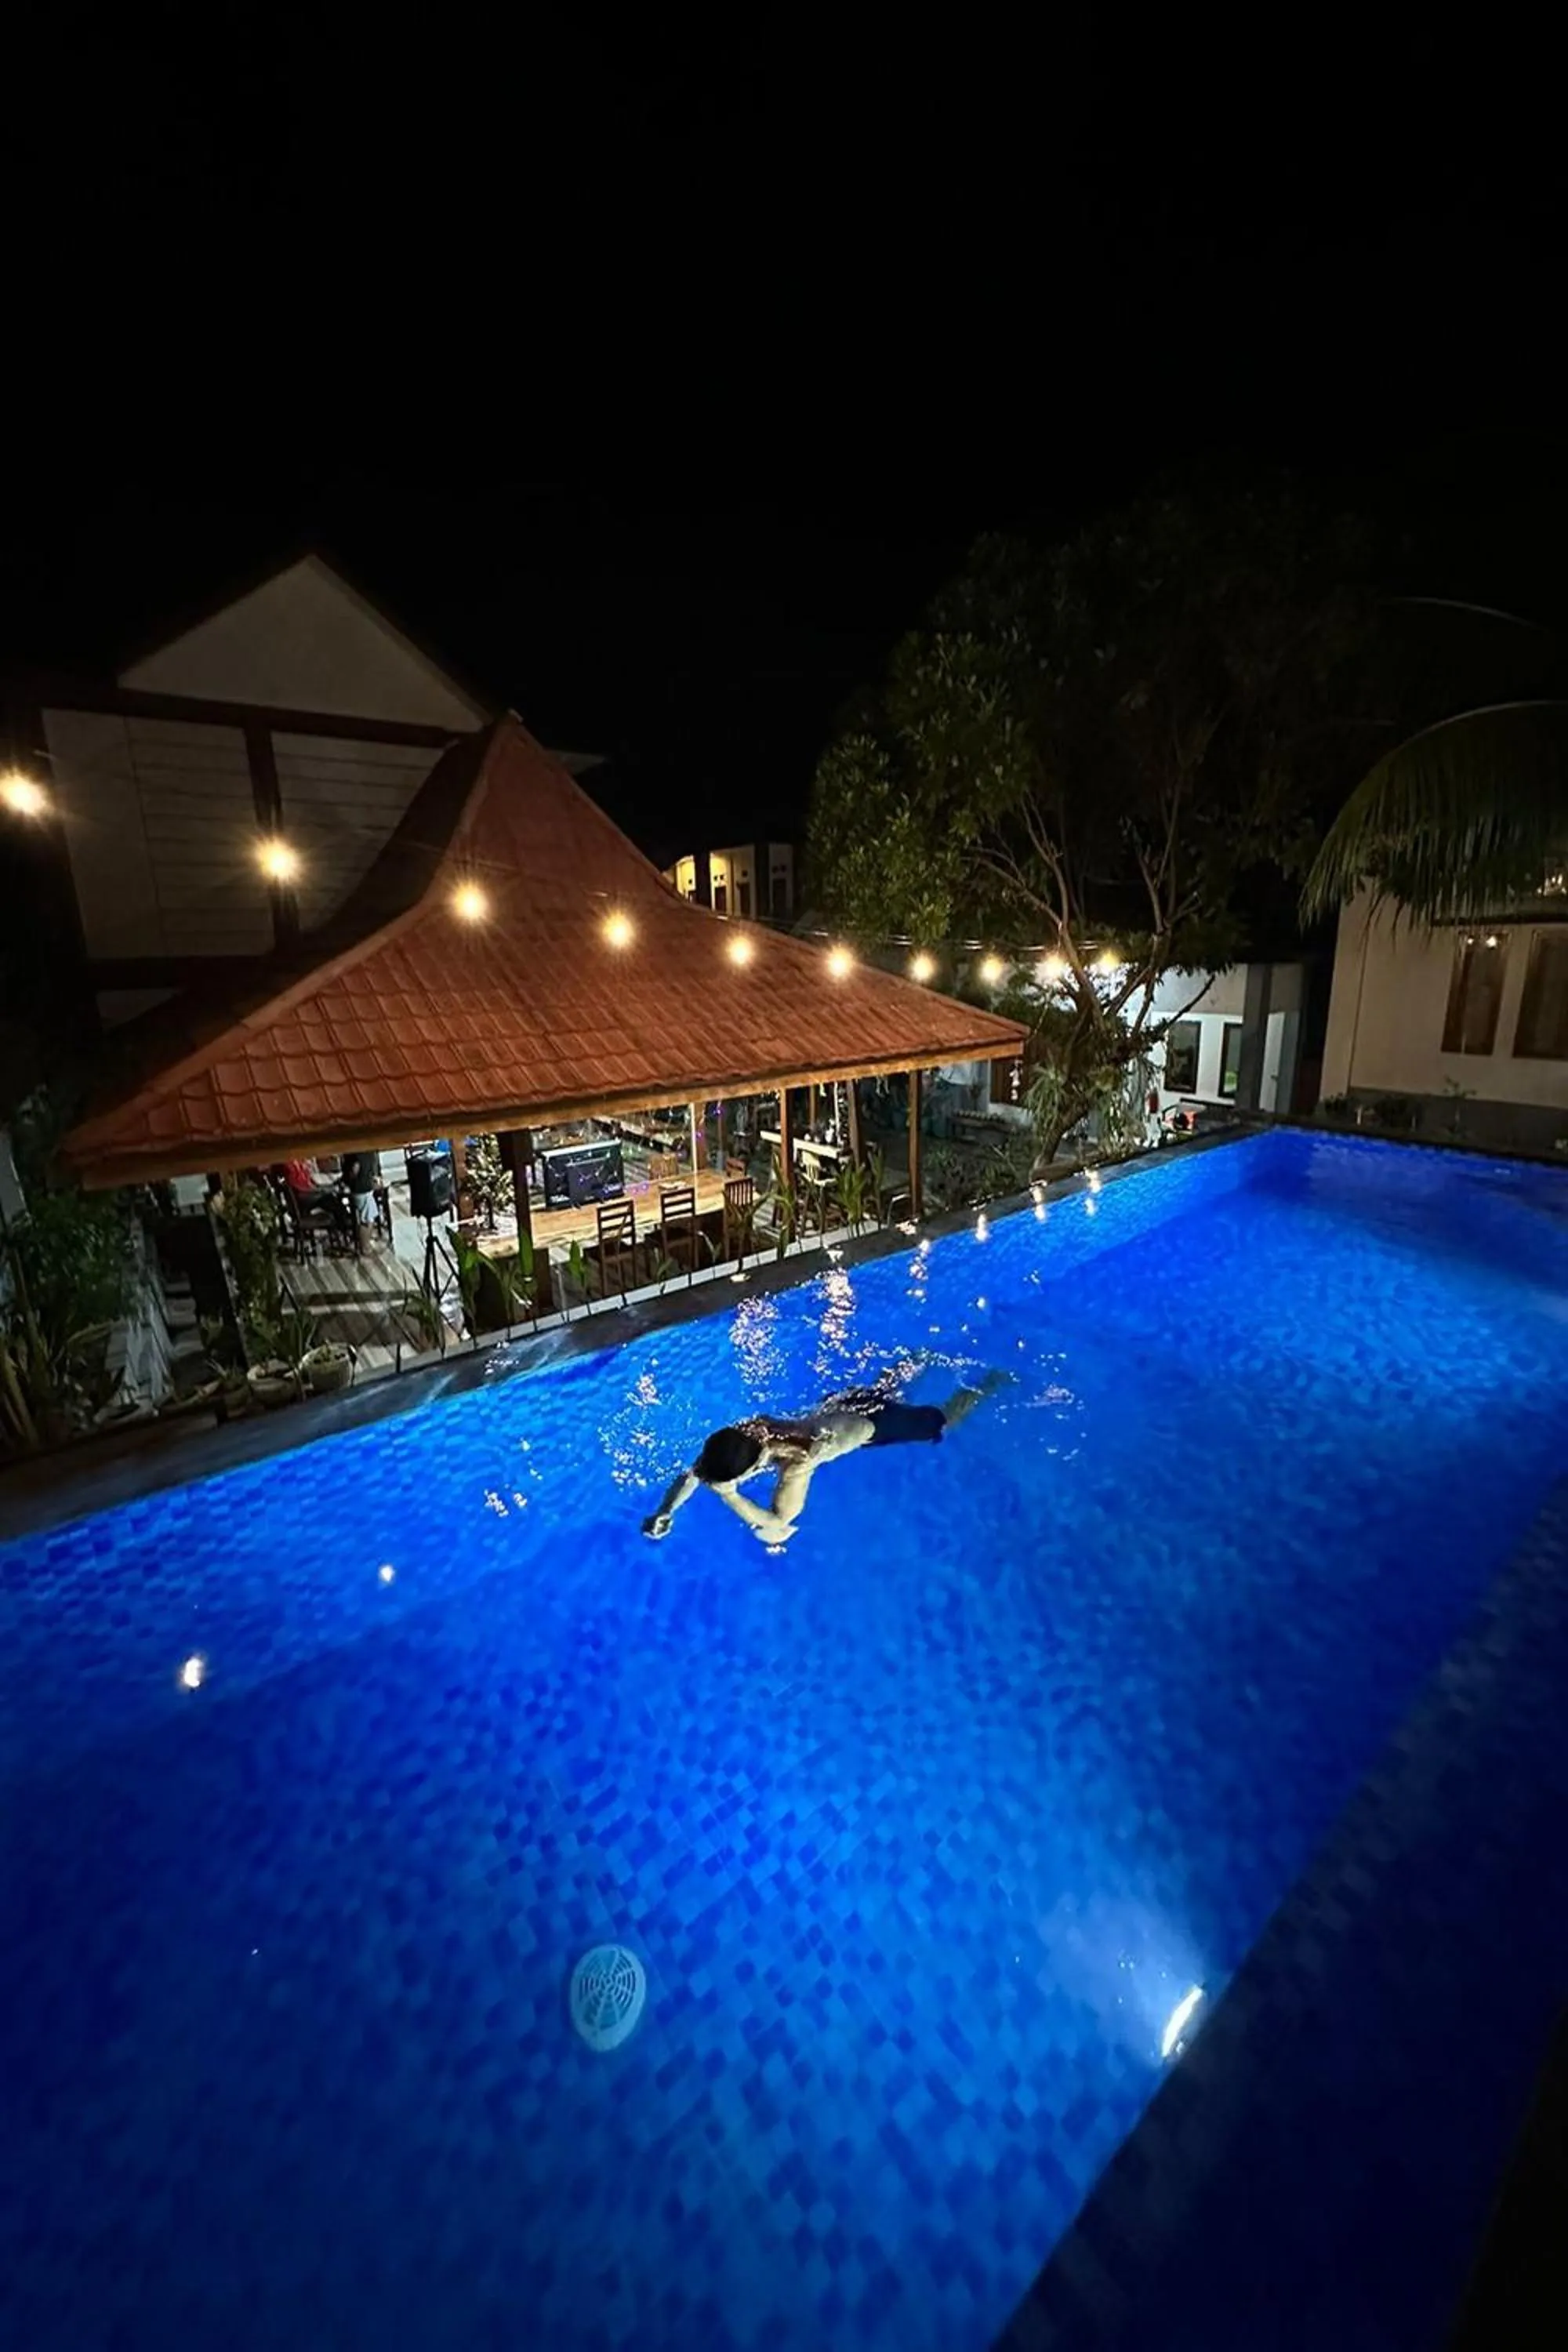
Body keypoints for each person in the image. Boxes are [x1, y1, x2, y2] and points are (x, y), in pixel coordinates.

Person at [641, 1364, 1014, 1545]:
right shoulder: (746, 1433)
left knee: (943, 1422)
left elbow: (780, 1525)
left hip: (871, 1427)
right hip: (842, 1405)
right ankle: (919, 1361)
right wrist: (666, 1509)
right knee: (884, 1389)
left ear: (752, 1467)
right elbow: (697, 1473)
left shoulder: (799, 1462)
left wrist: (733, 1497)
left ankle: (994, 1383)